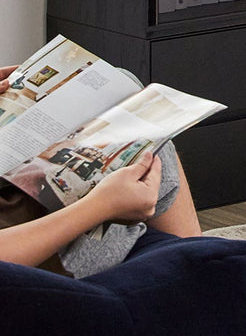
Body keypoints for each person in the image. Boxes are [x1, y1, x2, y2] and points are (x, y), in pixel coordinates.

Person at [0, 63, 203, 277]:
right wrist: (102, 206)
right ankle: (198, 264)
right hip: (33, 257)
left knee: (120, 83)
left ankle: (196, 256)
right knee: (145, 135)